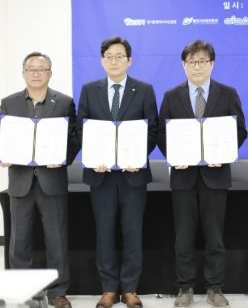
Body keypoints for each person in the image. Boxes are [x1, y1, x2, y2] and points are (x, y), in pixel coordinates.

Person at [157, 40, 248, 308]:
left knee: (215, 236)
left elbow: (240, 130)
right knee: (183, 236)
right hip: (183, 176)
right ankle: (184, 287)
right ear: (183, 65)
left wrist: (225, 153)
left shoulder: (227, 94)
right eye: (191, 62)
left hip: (215, 175)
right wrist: (174, 155)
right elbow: (161, 132)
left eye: (202, 61)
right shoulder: (171, 96)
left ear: (212, 64)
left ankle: (215, 287)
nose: (197, 66)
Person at [76, 37, 158, 308]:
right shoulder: (90, 90)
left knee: (132, 233)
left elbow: (152, 130)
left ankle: (131, 289)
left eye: (119, 56)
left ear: (129, 60)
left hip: (133, 175)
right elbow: (81, 129)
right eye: (109, 56)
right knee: (105, 233)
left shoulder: (144, 90)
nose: (114, 61)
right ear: (102, 61)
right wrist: (93, 157)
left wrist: (138, 157)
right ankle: (109, 289)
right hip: (101, 175)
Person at [0, 52, 79, 308]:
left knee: (57, 240)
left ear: (50, 73)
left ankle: (58, 292)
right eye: (31, 69)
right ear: (23, 73)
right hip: (20, 181)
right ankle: (22, 293)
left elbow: (74, 138)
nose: (36, 73)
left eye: (41, 69)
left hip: (52, 180)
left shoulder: (64, 102)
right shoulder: (8, 103)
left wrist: (63, 158)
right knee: (19, 242)